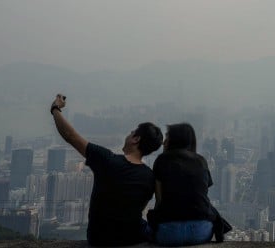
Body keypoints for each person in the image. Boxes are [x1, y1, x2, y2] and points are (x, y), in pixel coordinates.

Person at [49, 93, 163, 246]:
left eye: (132, 132)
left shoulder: (107, 159)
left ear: (136, 139)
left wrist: (55, 108)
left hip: (99, 240)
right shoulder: (150, 176)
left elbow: (70, 136)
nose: (128, 134)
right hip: (133, 238)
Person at [147, 122, 217, 246]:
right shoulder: (201, 161)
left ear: (175, 140)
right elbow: (202, 195)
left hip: (169, 234)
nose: (164, 142)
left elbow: (159, 201)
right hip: (201, 232)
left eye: (167, 137)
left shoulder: (161, 161)